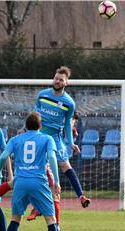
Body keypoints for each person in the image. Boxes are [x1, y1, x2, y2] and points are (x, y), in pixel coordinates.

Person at [0, 112, 61, 231]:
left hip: (20, 182)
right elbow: (52, 157)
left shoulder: (15, 139)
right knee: (51, 219)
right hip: (39, 182)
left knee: (15, 219)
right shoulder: (47, 139)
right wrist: (56, 181)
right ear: (40, 125)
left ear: (25, 126)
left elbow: (3, 156)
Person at [35, 66, 90, 208]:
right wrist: (26, 130)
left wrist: (71, 143)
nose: (57, 81)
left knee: (65, 165)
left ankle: (81, 196)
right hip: (40, 135)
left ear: (66, 83)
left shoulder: (69, 103)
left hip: (55, 137)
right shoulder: (42, 95)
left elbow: (67, 124)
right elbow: (35, 116)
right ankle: (37, 206)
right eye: (56, 78)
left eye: (61, 80)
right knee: (39, 168)